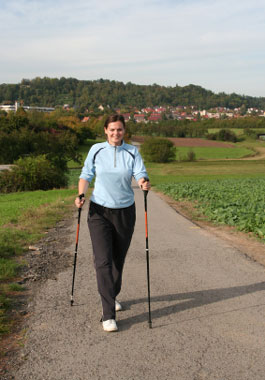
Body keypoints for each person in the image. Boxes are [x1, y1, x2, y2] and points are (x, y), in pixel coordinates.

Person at [75, 114, 150, 332]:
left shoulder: (132, 151)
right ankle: (108, 314)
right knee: (103, 261)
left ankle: (111, 294)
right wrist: (81, 194)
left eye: (119, 130)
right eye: (112, 130)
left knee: (118, 259)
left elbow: (140, 173)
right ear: (105, 131)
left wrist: (144, 182)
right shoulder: (96, 150)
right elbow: (86, 174)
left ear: (124, 131)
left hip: (125, 211)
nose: (116, 133)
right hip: (99, 211)